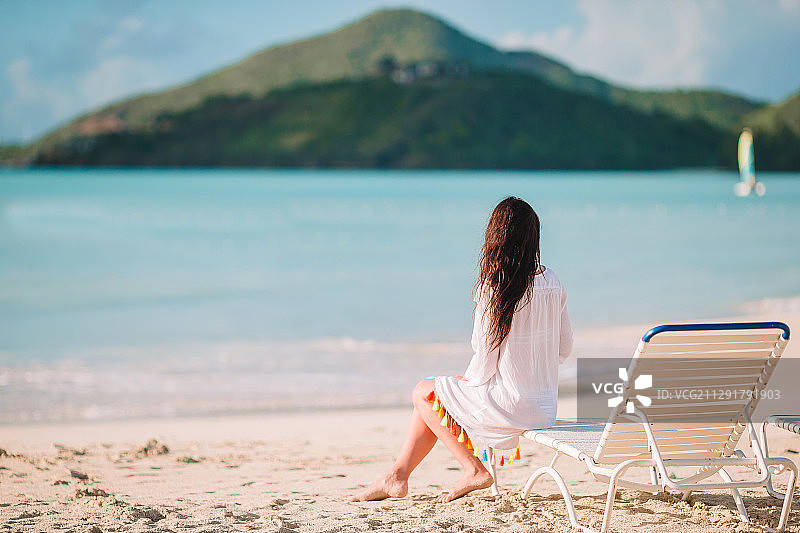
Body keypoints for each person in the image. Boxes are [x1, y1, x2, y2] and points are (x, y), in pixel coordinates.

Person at [351, 196, 573, 503]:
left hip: (511, 406)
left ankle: (474, 470)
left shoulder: (495, 287)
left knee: (423, 392)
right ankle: (397, 476)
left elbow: (484, 359)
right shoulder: (553, 281)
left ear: (495, 238)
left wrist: (468, 382)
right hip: (545, 409)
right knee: (436, 394)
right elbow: (564, 350)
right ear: (534, 237)